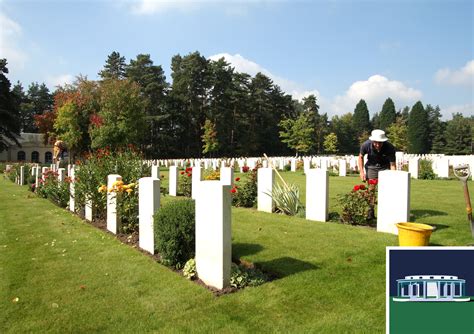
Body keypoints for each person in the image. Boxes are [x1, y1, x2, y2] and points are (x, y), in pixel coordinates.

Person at [358, 129, 396, 219]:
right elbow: (360, 157)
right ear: (372, 141)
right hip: (372, 166)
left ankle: (387, 212)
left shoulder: (390, 147)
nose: (378, 145)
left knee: (387, 190)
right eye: (375, 142)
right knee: (371, 190)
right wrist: (361, 172)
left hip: (385, 166)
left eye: (380, 143)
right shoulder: (366, 145)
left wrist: (393, 177)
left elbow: (393, 164)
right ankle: (371, 211)